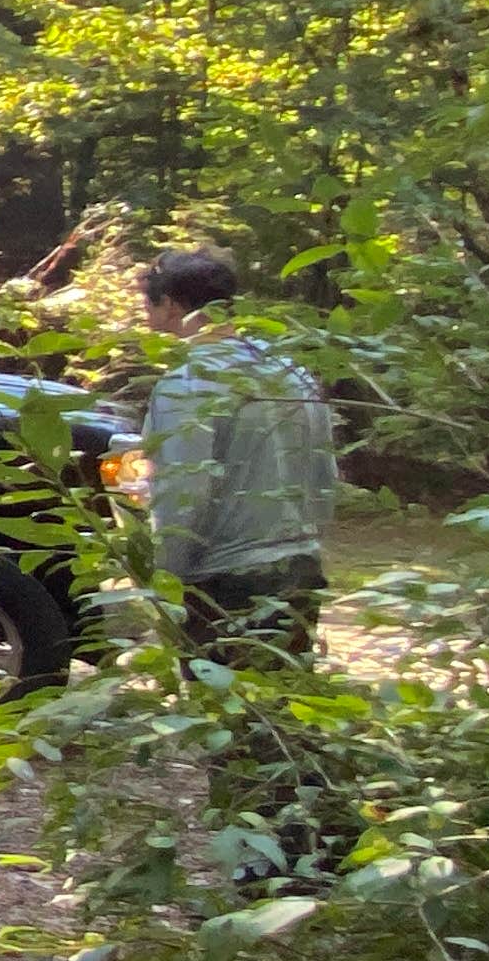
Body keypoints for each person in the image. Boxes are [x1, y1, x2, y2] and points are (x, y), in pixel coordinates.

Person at [135, 248, 340, 661]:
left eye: (148, 301)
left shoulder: (186, 383)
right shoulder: (288, 370)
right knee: (284, 711)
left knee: (223, 713)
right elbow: (323, 470)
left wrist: (165, 582)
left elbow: (182, 491)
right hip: (300, 566)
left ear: (171, 304)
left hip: (225, 580)